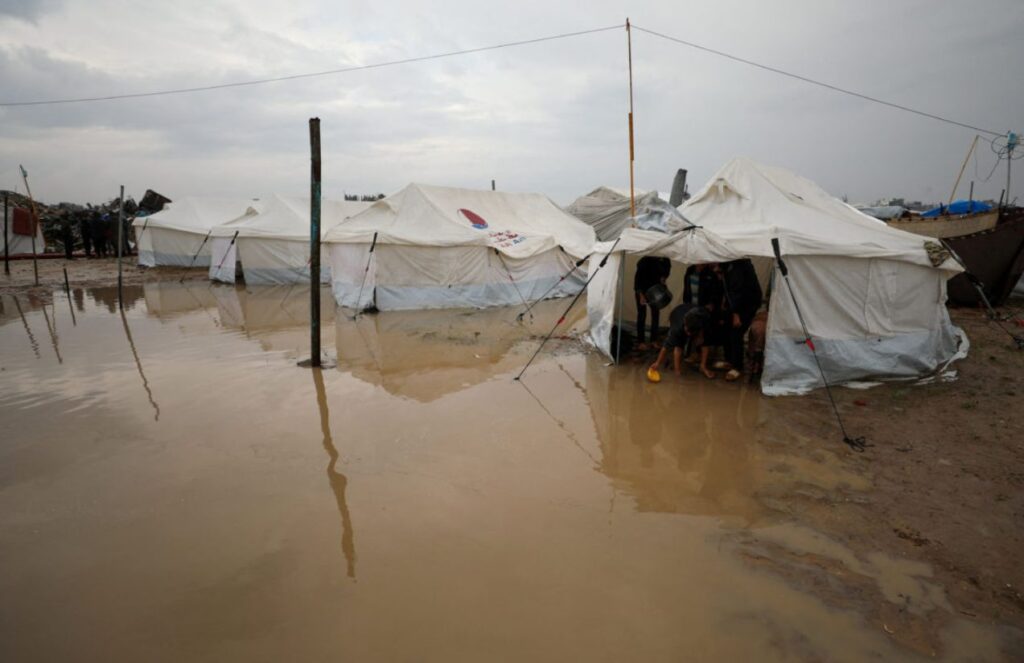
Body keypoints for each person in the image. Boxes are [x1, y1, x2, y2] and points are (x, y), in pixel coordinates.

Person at [721, 258, 763, 381]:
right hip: (738, 302)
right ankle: (730, 360)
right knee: (726, 328)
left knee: (736, 332)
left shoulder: (739, 266)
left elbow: (737, 291)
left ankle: (737, 367)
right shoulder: (729, 264)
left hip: (747, 304)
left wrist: (736, 313)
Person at [648, 302, 710, 379]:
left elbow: (705, 323)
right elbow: (666, 346)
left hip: (692, 311)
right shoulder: (677, 328)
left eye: (690, 332)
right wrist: (657, 363)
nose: (688, 333)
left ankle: (703, 366)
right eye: (687, 331)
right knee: (679, 344)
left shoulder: (703, 315)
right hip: (676, 313)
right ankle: (677, 370)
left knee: (706, 340)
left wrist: (701, 336)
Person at [634, 255, 671, 350]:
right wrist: (641, 295)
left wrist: (663, 278)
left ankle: (654, 340)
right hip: (642, 290)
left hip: (655, 291)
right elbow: (637, 281)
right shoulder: (644, 261)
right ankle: (641, 341)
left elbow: (666, 272)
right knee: (642, 315)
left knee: (655, 314)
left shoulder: (665, 260)